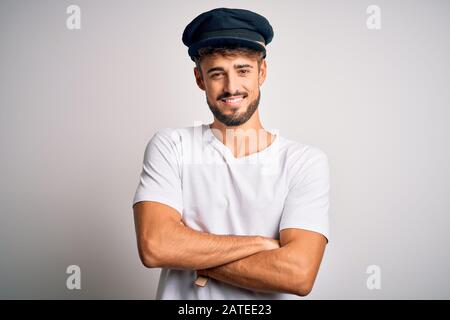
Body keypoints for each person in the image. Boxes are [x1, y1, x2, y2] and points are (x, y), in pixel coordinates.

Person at [132, 7, 330, 299]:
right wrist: (260, 244)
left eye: (243, 70)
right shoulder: (171, 146)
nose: (231, 87)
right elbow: (156, 246)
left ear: (262, 72)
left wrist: (194, 256)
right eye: (216, 74)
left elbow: (298, 274)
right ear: (200, 79)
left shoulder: (304, 162)